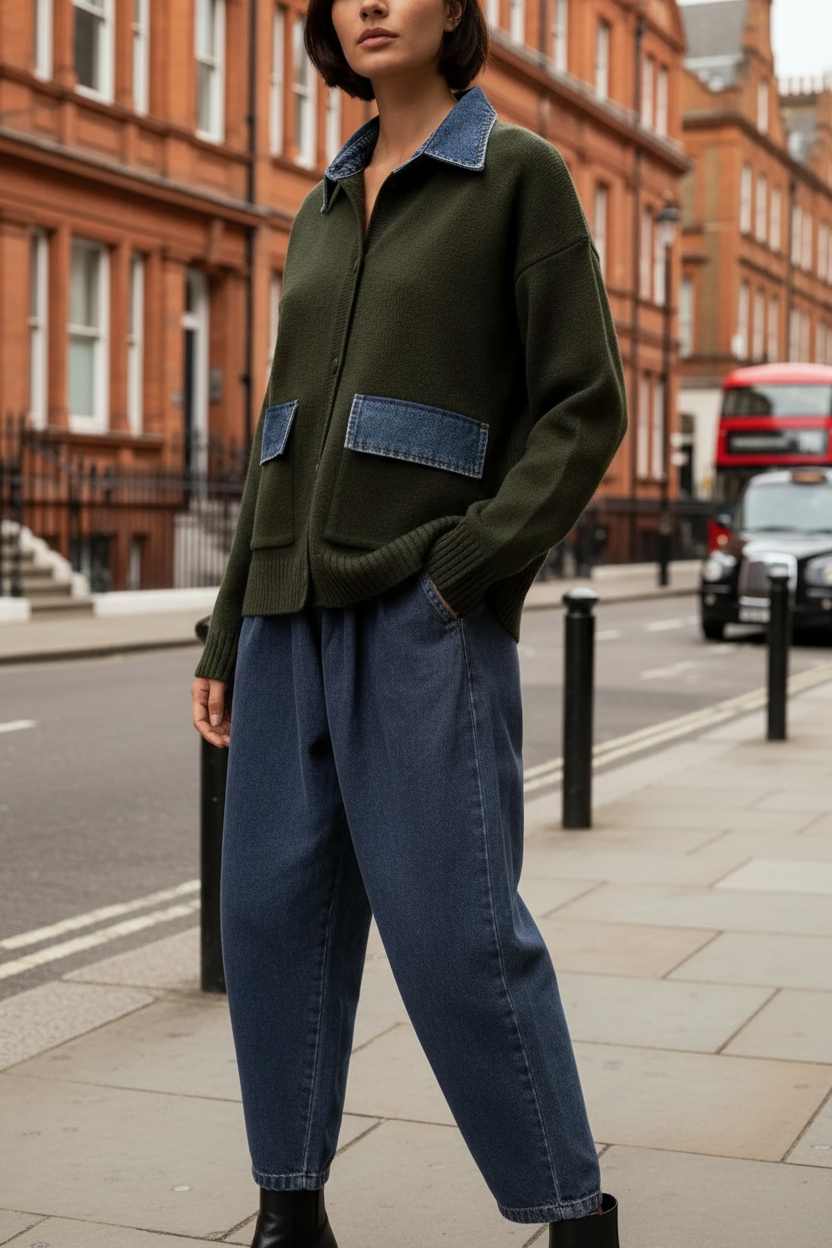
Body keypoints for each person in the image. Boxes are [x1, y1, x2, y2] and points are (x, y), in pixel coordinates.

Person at [191, 0, 627, 1243]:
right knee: (272, 924)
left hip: (420, 613)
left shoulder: (517, 176)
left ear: (455, 12)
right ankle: (290, 1203)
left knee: (457, 938)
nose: (366, 4)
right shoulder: (318, 203)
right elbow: (276, 440)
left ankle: (568, 1206)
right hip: (283, 620)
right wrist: (226, 633)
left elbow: (582, 409)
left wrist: (468, 565)